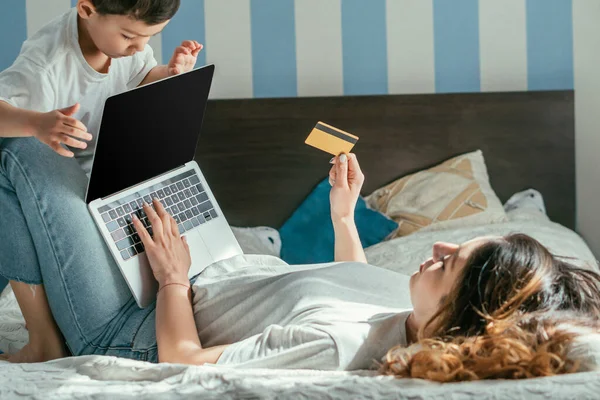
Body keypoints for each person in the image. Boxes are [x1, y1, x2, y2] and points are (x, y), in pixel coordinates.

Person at [2, 152, 600, 383]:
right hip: (220, 266)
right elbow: (357, 284)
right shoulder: (412, 310)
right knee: (117, 170)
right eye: (454, 246)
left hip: (134, 325)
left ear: (457, 315)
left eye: (451, 265)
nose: (438, 251)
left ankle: (46, 343)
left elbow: (182, 361)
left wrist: (174, 278)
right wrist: (344, 220)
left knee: (25, 158)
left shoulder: (333, 350)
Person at [0, 0, 202, 362]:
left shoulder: (123, 44)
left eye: (149, 37)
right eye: (129, 36)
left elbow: (138, 76)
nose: (139, 47)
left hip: (109, 185)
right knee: (7, 147)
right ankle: (42, 338)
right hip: (66, 187)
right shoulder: (45, 63)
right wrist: (35, 123)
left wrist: (167, 76)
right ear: (86, 8)